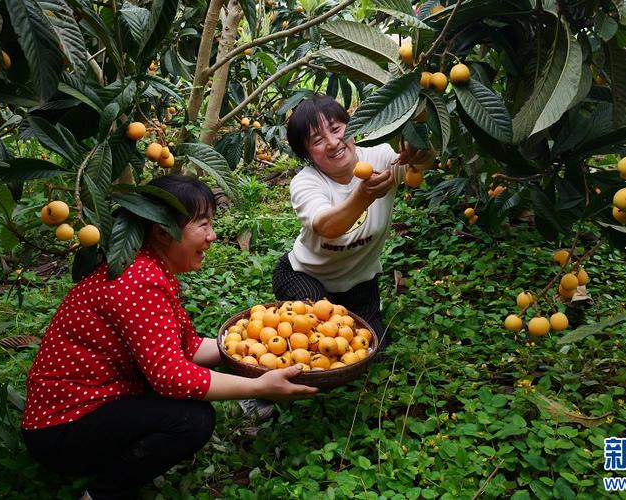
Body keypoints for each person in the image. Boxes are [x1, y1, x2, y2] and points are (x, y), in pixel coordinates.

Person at [21, 174, 317, 500]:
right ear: (163, 232)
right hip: (62, 427)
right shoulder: (139, 280)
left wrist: (249, 344)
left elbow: (184, 347)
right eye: (202, 225)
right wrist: (258, 386)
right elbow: (171, 377)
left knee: (188, 409)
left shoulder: (150, 269)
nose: (213, 235)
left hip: (98, 406)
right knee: (192, 420)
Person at [273, 94, 432, 346]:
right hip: (305, 276)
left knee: (368, 347)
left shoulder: (381, 157)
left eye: (337, 129)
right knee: (319, 341)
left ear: (353, 127)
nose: (333, 142)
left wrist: (421, 151)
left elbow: (419, 167)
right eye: (317, 140)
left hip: (360, 284)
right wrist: (363, 195)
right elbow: (327, 226)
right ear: (307, 154)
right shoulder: (305, 182)